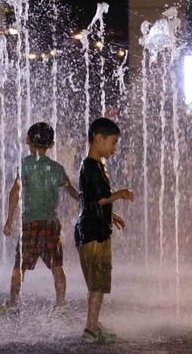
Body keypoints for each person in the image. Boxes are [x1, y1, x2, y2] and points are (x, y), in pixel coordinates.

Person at [0, 122, 79, 314]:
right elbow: (71, 191)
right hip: (51, 224)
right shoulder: (57, 168)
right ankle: (61, 305)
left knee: (20, 266)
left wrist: (9, 219)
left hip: (30, 223)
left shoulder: (25, 165)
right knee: (57, 266)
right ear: (51, 145)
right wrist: (87, 202)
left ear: (28, 140)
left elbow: (15, 191)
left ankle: (12, 303)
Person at [75, 117, 134, 343]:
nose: (114, 148)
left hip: (87, 230)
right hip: (95, 234)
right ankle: (90, 329)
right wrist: (120, 194)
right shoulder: (91, 166)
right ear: (98, 139)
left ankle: (94, 323)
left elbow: (90, 200)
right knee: (98, 284)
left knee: (95, 284)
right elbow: (99, 198)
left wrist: (113, 214)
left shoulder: (92, 165)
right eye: (113, 142)